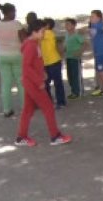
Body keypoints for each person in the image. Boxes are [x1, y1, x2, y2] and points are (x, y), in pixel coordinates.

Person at [15, 19, 72, 147]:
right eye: (41, 31)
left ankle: (21, 137)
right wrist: (38, 81)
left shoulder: (34, 43)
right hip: (33, 83)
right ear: (34, 32)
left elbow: (35, 63)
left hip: (31, 81)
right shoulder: (31, 45)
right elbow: (27, 67)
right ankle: (55, 136)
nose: (44, 34)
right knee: (48, 107)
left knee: (28, 109)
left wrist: (42, 73)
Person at [0, 3, 25, 117]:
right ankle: (25, 107)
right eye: (14, 11)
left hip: (2, 56)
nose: (15, 14)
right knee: (21, 82)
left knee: (6, 83)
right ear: (9, 12)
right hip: (17, 55)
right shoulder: (16, 24)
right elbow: (24, 40)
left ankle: (7, 109)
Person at [41, 18, 66, 109]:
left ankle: (60, 101)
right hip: (46, 62)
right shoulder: (45, 33)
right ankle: (51, 101)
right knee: (47, 83)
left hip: (54, 62)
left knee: (57, 83)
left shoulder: (48, 33)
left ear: (47, 26)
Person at [63, 18, 85, 100]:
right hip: (68, 57)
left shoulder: (77, 35)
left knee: (76, 75)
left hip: (75, 58)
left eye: (68, 24)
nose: (66, 26)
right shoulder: (67, 34)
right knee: (70, 76)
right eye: (65, 24)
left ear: (73, 26)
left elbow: (85, 44)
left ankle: (78, 92)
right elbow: (65, 45)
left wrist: (80, 52)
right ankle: (73, 91)